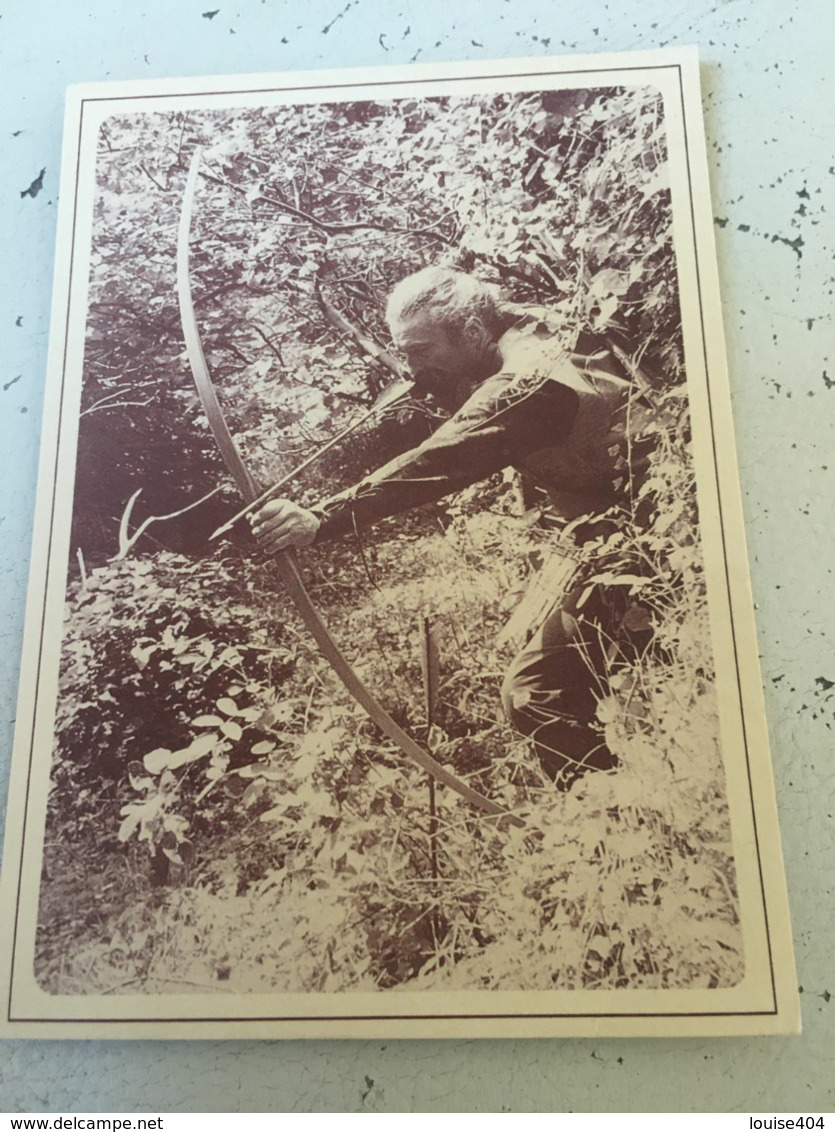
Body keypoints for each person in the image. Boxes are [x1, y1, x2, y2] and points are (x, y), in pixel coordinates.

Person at [251, 267, 655, 789]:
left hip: (642, 541)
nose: (409, 366)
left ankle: (620, 816)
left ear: (469, 331)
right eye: (403, 351)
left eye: (420, 350)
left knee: (535, 694)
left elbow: (441, 458)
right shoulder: (538, 326)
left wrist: (320, 519)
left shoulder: (526, 385)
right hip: (640, 521)